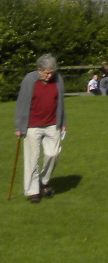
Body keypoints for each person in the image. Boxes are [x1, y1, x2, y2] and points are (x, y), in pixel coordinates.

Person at [14, 54, 66, 203]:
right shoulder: (29, 80)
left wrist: (62, 121)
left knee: (53, 154)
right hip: (32, 125)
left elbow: (61, 102)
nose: (50, 75)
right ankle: (33, 191)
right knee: (32, 159)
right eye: (47, 72)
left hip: (52, 124)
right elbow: (21, 103)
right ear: (39, 70)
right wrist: (19, 125)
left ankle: (43, 181)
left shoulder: (58, 79)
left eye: (52, 72)